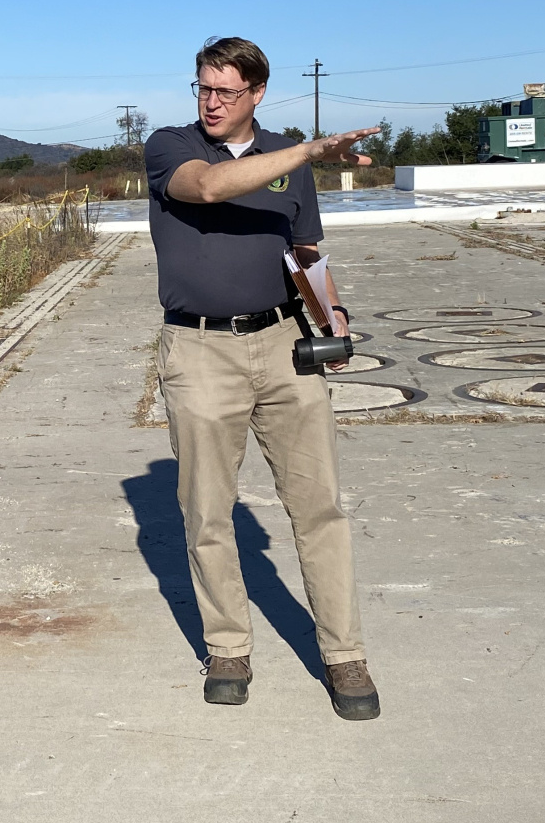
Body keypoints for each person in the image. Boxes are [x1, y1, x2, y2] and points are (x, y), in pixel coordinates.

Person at [144, 35, 382, 717]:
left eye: (226, 91)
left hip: (284, 342)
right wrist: (308, 150)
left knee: (319, 506)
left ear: (257, 93)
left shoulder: (287, 159)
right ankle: (228, 647)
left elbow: (305, 249)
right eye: (203, 88)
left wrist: (330, 313)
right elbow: (211, 187)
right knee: (207, 512)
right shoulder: (171, 146)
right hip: (199, 351)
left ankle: (345, 657)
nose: (211, 102)